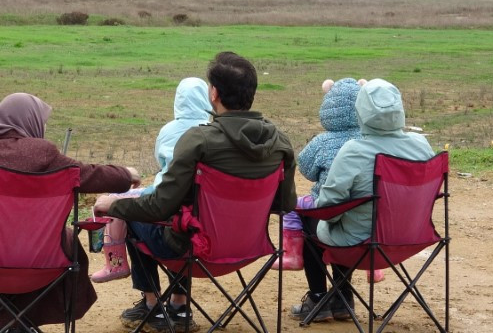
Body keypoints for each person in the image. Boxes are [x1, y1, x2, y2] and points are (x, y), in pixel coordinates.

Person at [94, 51, 297, 333]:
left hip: (195, 250)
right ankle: (178, 306)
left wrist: (114, 204)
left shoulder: (199, 141)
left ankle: (152, 304)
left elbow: (158, 207)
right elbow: (286, 203)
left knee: (142, 218)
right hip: (248, 248)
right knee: (184, 219)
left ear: (214, 93)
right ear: (252, 92)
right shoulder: (280, 143)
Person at [0, 93, 140, 333]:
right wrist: (126, 175)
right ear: (29, 121)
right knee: (54, 246)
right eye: (42, 121)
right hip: (35, 258)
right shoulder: (42, 153)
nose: (44, 127)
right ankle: (20, 323)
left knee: (8, 252)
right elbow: (88, 174)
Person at [290, 79, 435, 323]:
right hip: (411, 238)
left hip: (362, 245)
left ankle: (318, 298)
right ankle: (342, 298)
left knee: (316, 223)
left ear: (362, 112)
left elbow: (328, 209)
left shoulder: (355, 150)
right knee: (348, 220)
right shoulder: (421, 145)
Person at [92, 77, 212, 283]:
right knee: (179, 214)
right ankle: (178, 302)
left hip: (170, 213)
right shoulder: (214, 132)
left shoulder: (169, 131)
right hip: (210, 228)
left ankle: (118, 266)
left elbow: (161, 162)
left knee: (123, 206)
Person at [274, 78, 365, 271]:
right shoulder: (369, 142)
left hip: (327, 211)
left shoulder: (323, 142)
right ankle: (370, 268)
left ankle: (294, 255)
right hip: (366, 220)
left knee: (296, 208)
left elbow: (306, 168)